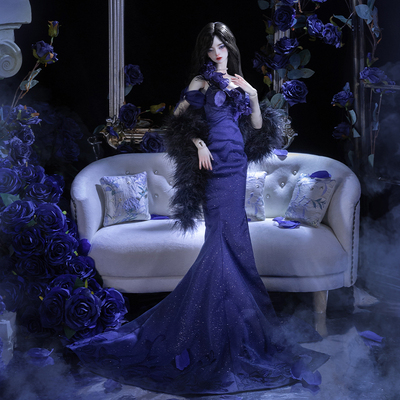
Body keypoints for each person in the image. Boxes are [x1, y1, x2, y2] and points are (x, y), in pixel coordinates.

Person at [68, 22, 328, 396]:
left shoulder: (239, 82)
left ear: (230, 48)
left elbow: (256, 126)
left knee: (236, 241)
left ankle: (233, 326)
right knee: (219, 240)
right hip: (214, 164)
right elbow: (176, 122)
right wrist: (199, 144)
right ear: (205, 52)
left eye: (222, 46)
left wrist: (254, 95)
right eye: (211, 47)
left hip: (237, 163)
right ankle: (215, 329)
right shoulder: (201, 83)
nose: (216, 52)